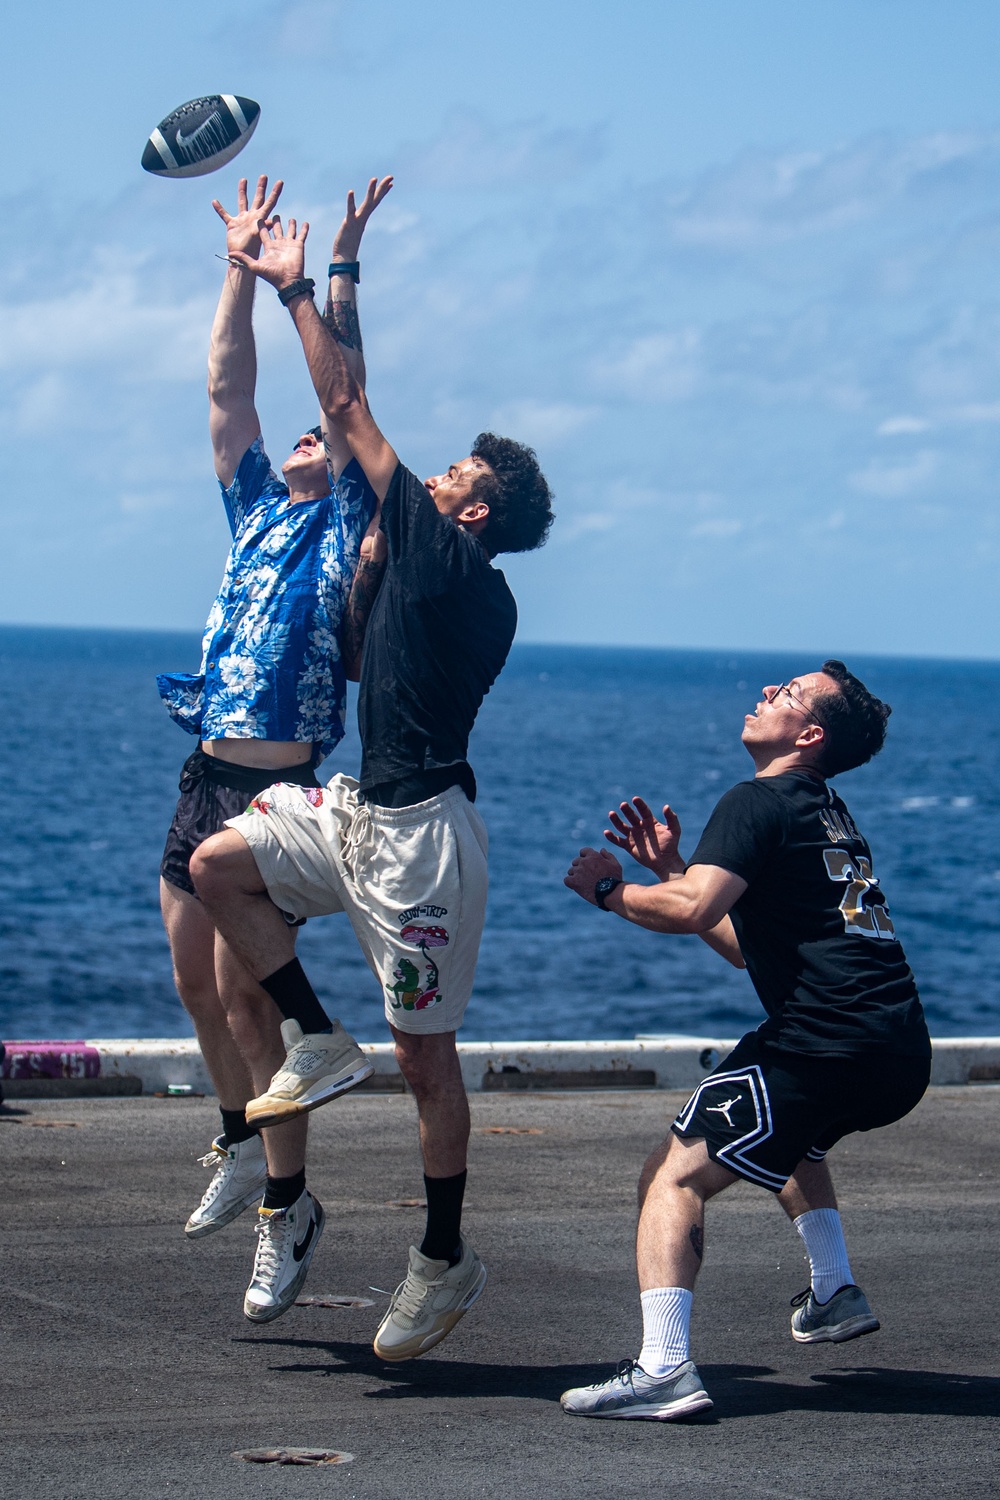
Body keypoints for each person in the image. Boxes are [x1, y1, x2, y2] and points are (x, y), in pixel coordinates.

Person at [189, 208, 555, 1360]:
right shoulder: (416, 559)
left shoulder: (455, 565)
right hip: (355, 809)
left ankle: (444, 1256)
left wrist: (302, 286)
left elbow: (346, 407)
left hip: (424, 842)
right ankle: (311, 1033)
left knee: (426, 1063)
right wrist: (343, 272)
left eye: (452, 473)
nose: (433, 474)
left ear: (474, 511)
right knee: (215, 865)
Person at [560, 661, 931, 1420]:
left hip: (823, 1044)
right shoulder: (825, 809)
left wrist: (612, 891)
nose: (766, 694)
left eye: (786, 696)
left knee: (671, 1176)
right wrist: (669, 867)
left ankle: (663, 1370)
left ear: (809, 733)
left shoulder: (755, 799)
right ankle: (833, 1291)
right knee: (793, 1138)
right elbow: (739, 942)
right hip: (896, 1052)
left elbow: (696, 910)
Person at [156, 174, 391, 1319]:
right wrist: (237, 271)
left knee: (255, 1008)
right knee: (196, 991)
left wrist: (325, 277)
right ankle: (237, 1140)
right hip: (204, 772)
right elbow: (225, 386)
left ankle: (286, 1209)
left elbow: (340, 392)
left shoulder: (346, 511)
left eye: (313, 439)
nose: (299, 437)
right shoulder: (252, 504)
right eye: (292, 439)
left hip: (279, 792)